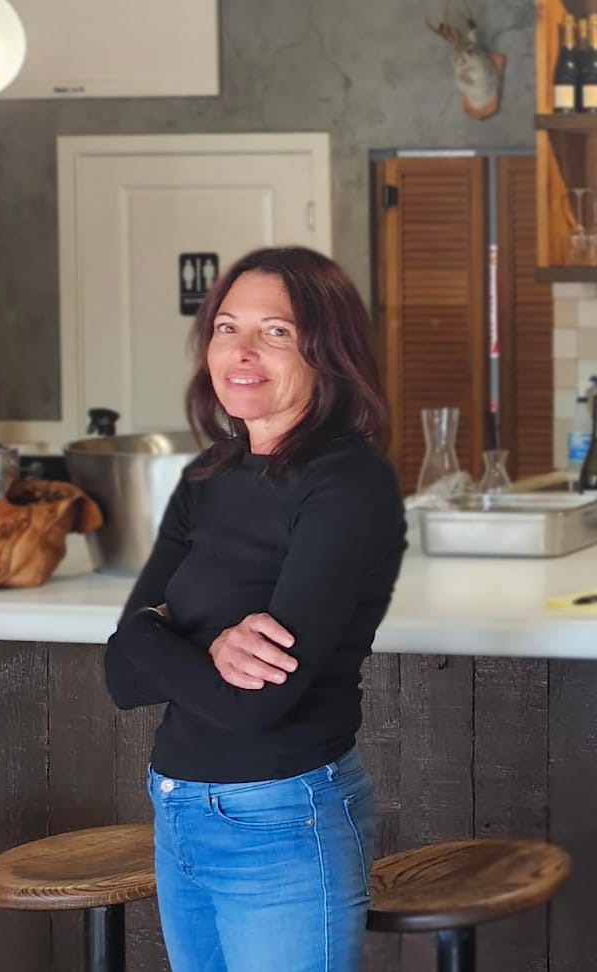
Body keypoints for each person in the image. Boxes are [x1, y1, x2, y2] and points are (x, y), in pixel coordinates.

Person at [104, 246, 407, 971]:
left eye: (276, 332)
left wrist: (161, 635)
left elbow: (255, 706)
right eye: (226, 328)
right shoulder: (207, 477)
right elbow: (120, 669)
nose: (241, 352)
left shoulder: (347, 486)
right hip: (177, 805)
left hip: (282, 817)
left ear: (327, 352)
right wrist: (210, 646)